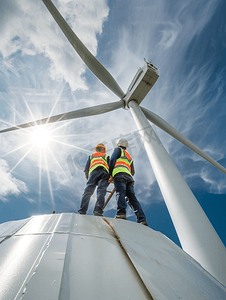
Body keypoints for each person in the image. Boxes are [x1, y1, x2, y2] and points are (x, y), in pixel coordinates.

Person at [109, 138, 148, 226]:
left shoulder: (117, 150)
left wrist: (110, 174)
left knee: (120, 193)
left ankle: (121, 213)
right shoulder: (129, 156)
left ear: (118, 144)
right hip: (129, 178)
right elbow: (133, 172)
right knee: (132, 198)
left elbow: (112, 160)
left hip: (119, 175)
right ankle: (142, 219)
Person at [78, 143, 110, 216]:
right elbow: (110, 166)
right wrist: (111, 176)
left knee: (88, 192)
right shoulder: (106, 156)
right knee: (101, 192)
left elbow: (86, 168)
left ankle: (82, 211)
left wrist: (87, 176)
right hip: (104, 173)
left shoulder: (91, 156)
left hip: (93, 173)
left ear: (97, 149)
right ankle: (98, 211)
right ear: (103, 149)